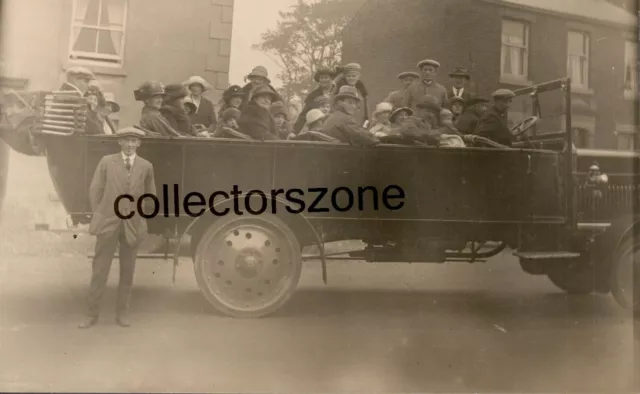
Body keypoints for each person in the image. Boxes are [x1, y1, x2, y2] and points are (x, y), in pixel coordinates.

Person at [80, 126, 157, 329]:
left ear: (139, 143)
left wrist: (140, 217)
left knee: (128, 271)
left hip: (132, 225)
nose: (130, 145)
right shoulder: (107, 162)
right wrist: (101, 213)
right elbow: (95, 189)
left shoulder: (146, 166)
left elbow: (151, 197)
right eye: (126, 140)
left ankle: (122, 314)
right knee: (99, 270)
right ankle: (91, 314)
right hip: (108, 223)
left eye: (134, 141)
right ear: (119, 142)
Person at [293, 68, 335, 133]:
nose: (324, 80)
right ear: (319, 80)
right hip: (318, 128)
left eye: (326, 77)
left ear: (331, 78)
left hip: (334, 126)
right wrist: (294, 131)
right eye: (321, 78)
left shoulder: (338, 91)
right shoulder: (313, 95)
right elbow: (303, 115)